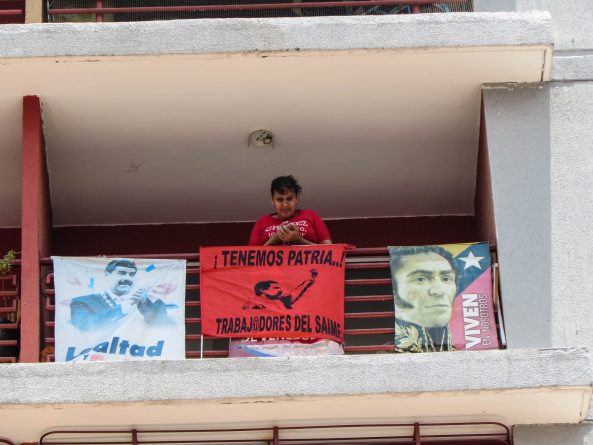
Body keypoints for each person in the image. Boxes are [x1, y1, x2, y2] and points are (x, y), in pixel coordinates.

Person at [70, 259, 173, 331]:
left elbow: (168, 329)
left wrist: (145, 303)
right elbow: (85, 326)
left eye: (131, 275)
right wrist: (125, 306)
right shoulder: (82, 302)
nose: (127, 278)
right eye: (122, 273)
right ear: (107, 275)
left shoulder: (153, 303)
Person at [389, 245, 457, 352]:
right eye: (421, 279)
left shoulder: (463, 345)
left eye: (446, 278)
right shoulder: (382, 350)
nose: (439, 291)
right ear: (394, 290)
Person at [248, 175, 332, 246]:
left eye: (289, 199)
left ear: (297, 198)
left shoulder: (310, 215)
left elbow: (330, 249)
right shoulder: (262, 221)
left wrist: (299, 239)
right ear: (272, 200)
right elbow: (250, 256)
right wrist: (276, 238)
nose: (285, 204)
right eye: (279, 199)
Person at [243, 269, 318, 310]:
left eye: (279, 287)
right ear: (263, 291)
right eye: (276, 288)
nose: (281, 289)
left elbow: (299, 289)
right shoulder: (255, 303)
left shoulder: (285, 298)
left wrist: (311, 278)